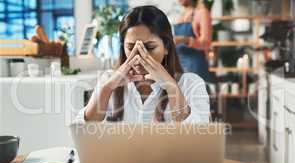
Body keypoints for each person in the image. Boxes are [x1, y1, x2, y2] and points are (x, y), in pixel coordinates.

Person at [76, 6, 209, 123]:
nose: (138, 56)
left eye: (149, 47)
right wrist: (106, 88)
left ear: (167, 46)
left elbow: (199, 138)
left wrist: (171, 87)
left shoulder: (191, 84)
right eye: (131, 47)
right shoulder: (109, 80)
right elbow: (82, 131)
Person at [173, 0, 212, 82]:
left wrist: (185, 40)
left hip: (196, 66)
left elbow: (206, 43)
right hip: (179, 66)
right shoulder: (181, 16)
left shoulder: (202, 13)